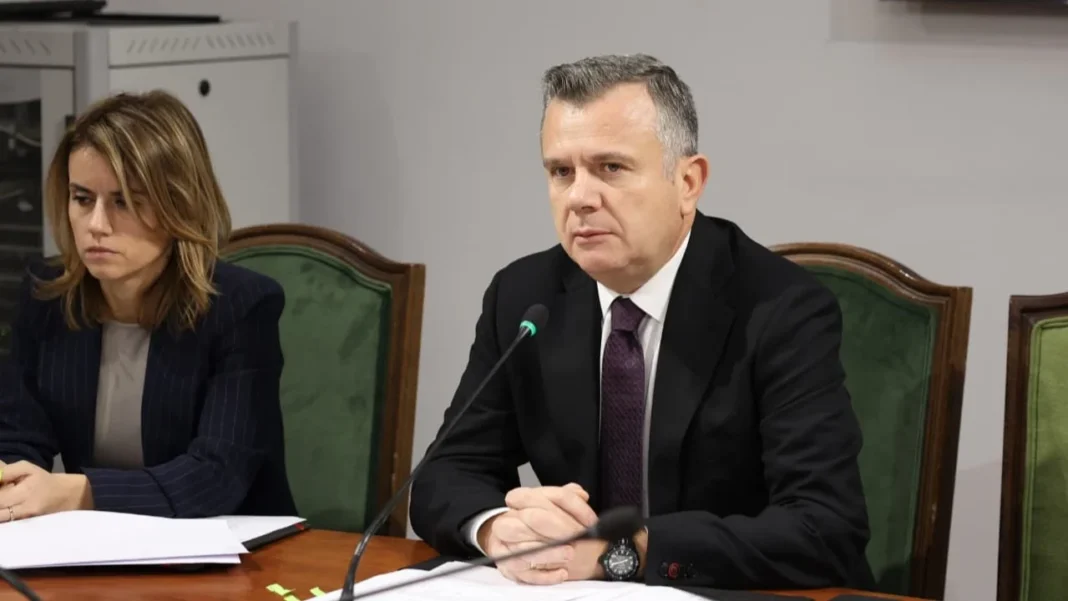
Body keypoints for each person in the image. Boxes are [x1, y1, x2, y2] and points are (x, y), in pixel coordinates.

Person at [408, 54, 875, 591]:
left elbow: (823, 528)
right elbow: (446, 473)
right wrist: (501, 530)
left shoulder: (781, 308)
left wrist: (622, 552)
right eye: (561, 172)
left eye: (611, 168)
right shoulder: (524, 297)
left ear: (688, 181)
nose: (580, 198)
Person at [0, 90, 297, 522]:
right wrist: (12, 481)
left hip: (232, 546)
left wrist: (78, 491)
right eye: (82, 198)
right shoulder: (46, 295)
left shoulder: (241, 309)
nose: (97, 225)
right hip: (95, 545)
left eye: (124, 201)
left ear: (179, 204)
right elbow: (18, 436)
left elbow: (215, 476)